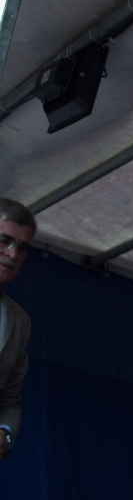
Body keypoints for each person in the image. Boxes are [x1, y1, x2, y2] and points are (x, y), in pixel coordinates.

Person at [0, 198, 35, 462]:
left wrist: (5, 432)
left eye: (22, 247)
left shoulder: (19, 321)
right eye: (4, 240)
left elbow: (10, 398)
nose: (13, 254)